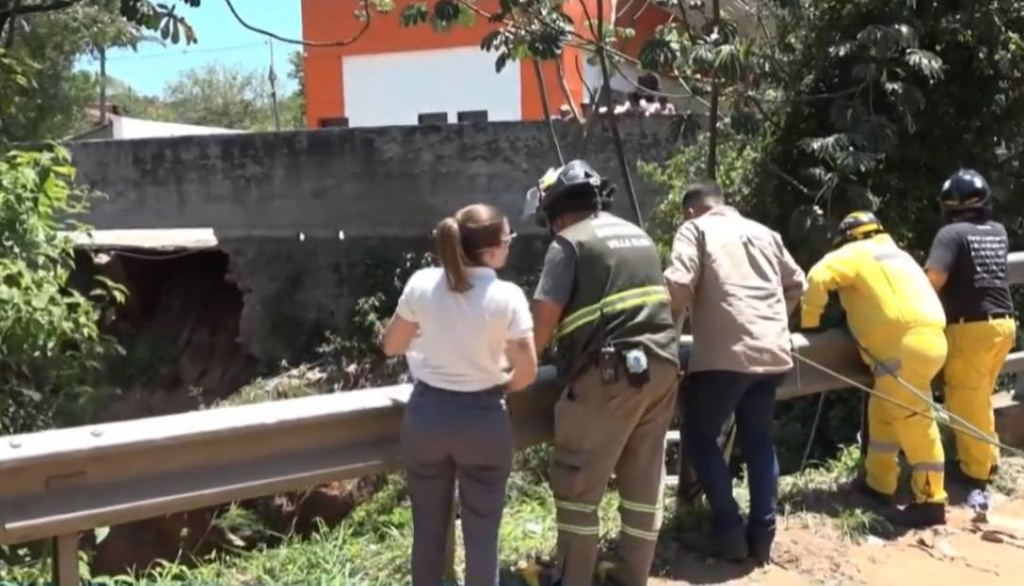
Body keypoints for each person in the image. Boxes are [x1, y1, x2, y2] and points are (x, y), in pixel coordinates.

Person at [526, 160, 679, 586]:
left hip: (608, 376)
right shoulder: (639, 235)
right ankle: (631, 577)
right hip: (663, 370)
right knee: (643, 480)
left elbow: (542, 322)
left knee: (577, 489)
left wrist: (517, 372)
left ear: (555, 213)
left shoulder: (568, 244)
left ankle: (572, 579)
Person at [380, 203, 539, 586]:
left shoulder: (421, 283)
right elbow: (528, 371)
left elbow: (391, 345)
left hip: (427, 415)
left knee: (428, 531)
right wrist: (499, 387)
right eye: (508, 240)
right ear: (493, 249)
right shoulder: (508, 296)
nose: (510, 246)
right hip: (484, 419)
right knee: (482, 535)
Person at [663, 182, 805, 565]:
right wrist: (772, 323)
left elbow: (677, 283)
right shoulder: (765, 232)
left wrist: (667, 334)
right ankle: (762, 536)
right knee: (758, 440)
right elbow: (798, 283)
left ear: (692, 211)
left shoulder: (695, 229)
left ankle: (728, 530)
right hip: (773, 351)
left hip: (725, 357)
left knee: (699, 436)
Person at [802, 211, 948, 528]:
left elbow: (817, 278)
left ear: (848, 237)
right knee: (883, 413)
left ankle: (931, 499)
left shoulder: (852, 253)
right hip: (931, 339)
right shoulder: (899, 255)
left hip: (901, 347)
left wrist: (810, 323)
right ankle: (879, 483)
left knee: (914, 421)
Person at [924, 169, 1016, 508]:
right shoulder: (997, 231)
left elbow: (934, 278)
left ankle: (976, 475)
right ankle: (986, 461)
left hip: (970, 329)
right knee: (980, 399)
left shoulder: (950, 235)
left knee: (965, 402)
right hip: (1003, 326)